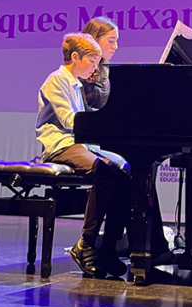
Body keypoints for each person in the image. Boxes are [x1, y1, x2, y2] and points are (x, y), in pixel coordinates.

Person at [79, 17, 174, 264]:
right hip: (86, 141)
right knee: (131, 170)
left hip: (101, 137)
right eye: (111, 41)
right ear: (94, 41)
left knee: (139, 169)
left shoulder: (105, 72)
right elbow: (93, 111)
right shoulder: (86, 74)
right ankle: (132, 246)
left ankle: (142, 245)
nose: (116, 46)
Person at [35, 32, 130, 278]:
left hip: (79, 145)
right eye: (92, 61)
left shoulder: (76, 84)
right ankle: (86, 243)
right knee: (105, 172)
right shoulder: (56, 80)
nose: (95, 68)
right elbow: (69, 121)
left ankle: (109, 247)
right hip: (60, 146)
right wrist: (102, 122)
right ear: (75, 57)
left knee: (126, 172)